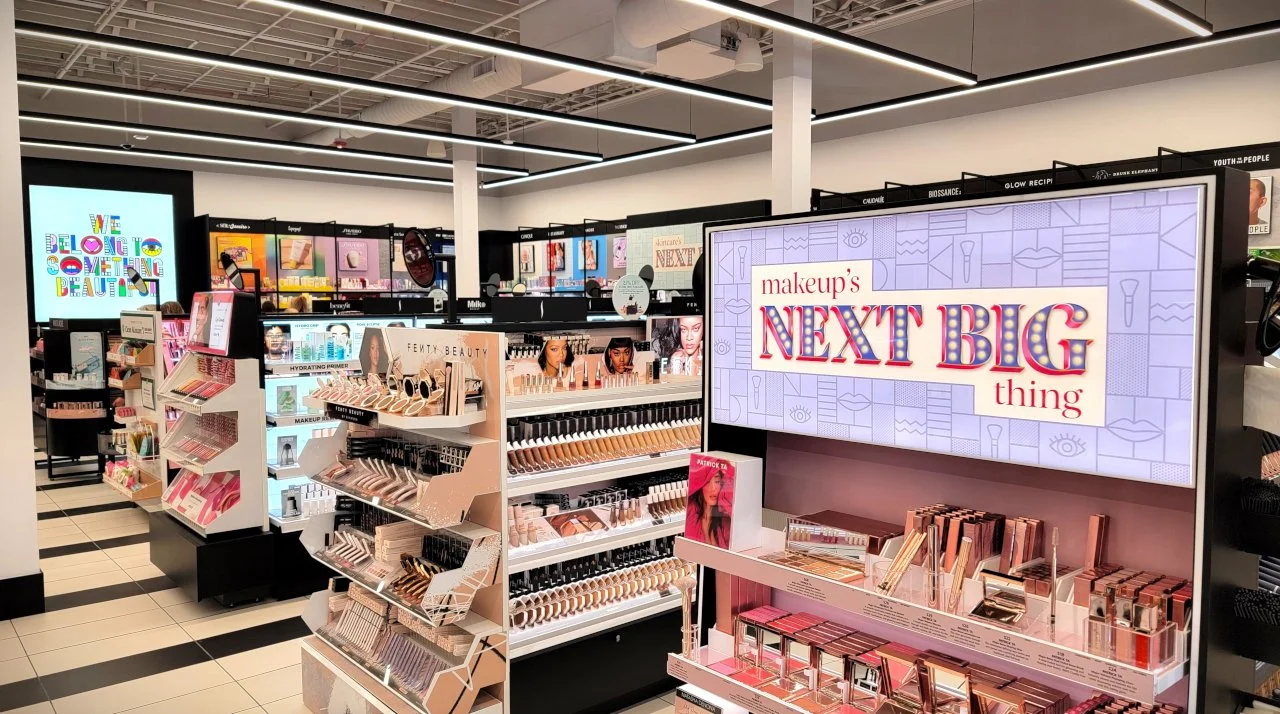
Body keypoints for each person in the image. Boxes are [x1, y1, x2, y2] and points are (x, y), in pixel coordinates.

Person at [687, 468, 730, 548]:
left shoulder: (726, 525)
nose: (713, 488)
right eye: (707, 482)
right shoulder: (691, 517)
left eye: (717, 481)